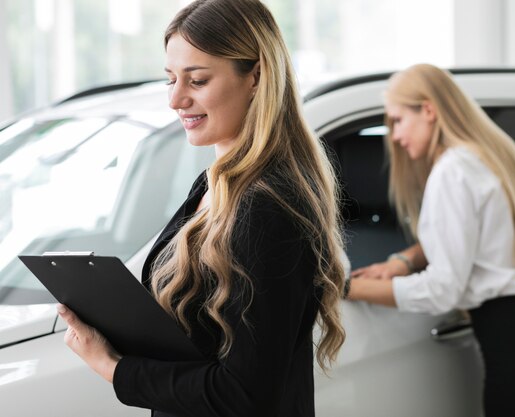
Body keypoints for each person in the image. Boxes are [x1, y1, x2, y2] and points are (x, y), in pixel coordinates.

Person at [56, 1, 346, 416]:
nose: (176, 99)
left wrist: (114, 368)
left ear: (256, 77)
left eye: (197, 80)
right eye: (171, 79)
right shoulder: (214, 185)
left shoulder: (266, 207)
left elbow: (246, 393)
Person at [345, 63, 515, 416]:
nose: (394, 135)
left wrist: (345, 288)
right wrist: (404, 261)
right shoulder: (476, 158)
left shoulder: (451, 171)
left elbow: (444, 289)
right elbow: (467, 237)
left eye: (398, 120)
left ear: (428, 110)